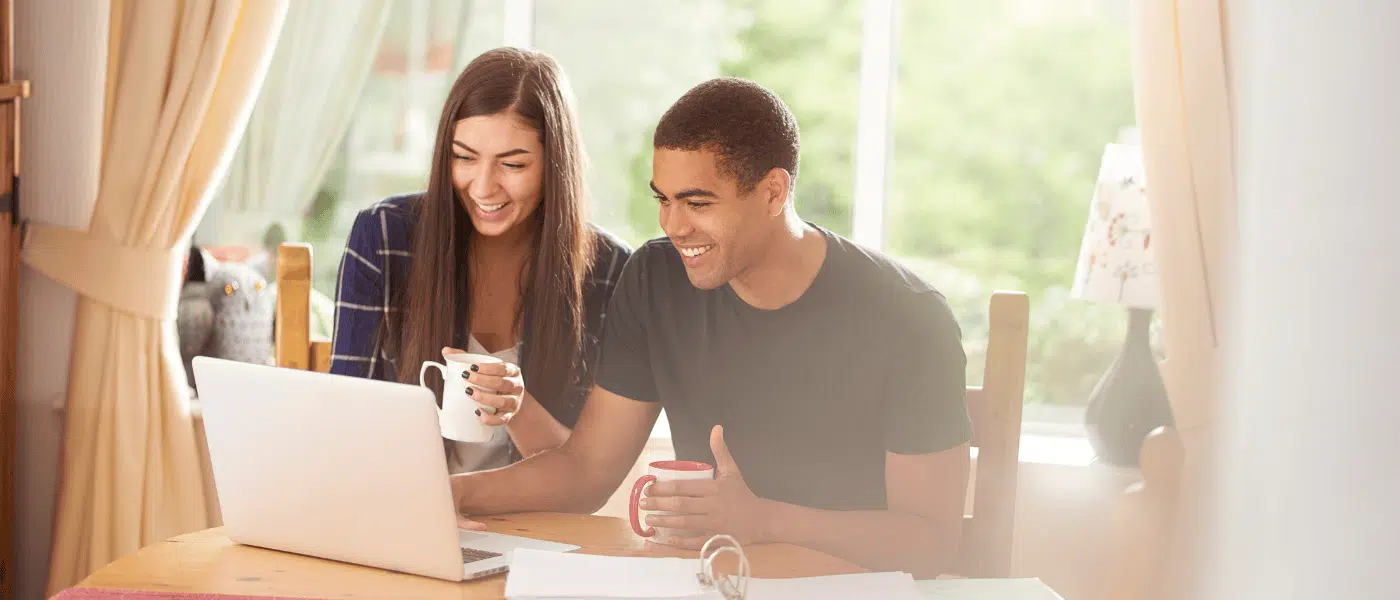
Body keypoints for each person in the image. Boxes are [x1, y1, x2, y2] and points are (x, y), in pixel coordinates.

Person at [450, 77, 971, 577]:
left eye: (698, 203)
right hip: (708, 581)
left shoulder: (908, 317)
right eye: (664, 199)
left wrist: (763, 520)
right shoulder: (656, 281)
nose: (674, 226)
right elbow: (586, 470)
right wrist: (446, 494)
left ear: (773, 192)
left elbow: (929, 544)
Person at [330, 48, 631, 480]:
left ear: (555, 164)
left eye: (513, 164)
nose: (484, 187)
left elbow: (588, 474)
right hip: (402, 510)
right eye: (464, 157)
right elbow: (344, 416)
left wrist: (515, 404)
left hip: (536, 528)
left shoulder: (608, 270)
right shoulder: (385, 237)